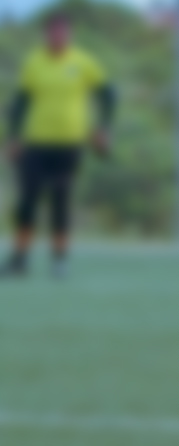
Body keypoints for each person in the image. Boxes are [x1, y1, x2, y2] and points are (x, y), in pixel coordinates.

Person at [2, 13, 112, 278]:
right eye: (53, 32)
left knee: (60, 200)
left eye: (63, 32)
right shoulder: (35, 62)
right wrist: (14, 136)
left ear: (69, 35)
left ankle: (59, 261)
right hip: (35, 144)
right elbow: (21, 102)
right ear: (46, 35)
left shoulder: (83, 62)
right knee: (27, 201)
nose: (58, 37)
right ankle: (19, 259)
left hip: (69, 145)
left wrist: (102, 128)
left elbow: (107, 94)